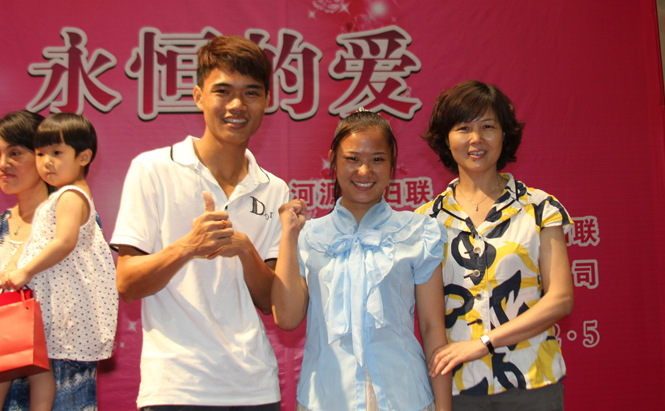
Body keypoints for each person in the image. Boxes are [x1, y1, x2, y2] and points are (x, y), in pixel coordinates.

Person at [111, 35, 289, 410]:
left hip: (255, 389)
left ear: (267, 101)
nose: (237, 105)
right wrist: (188, 246)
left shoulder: (274, 188)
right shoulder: (153, 169)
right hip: (176, 388)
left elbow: (269, 301)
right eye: (223, 91)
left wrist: (245, 250)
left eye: (251, 93)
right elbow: (126, 283)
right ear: (198, 96)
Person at [273, 110, 452, 411]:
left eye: (377, 159)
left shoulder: (417, 232)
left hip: (405, 397)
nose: (364, 171)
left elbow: (433, 327)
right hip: (326, 398)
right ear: (333, 160)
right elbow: (287, 318)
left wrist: (444, 408)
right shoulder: (308, 236)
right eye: (352, 159)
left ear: (392, 164)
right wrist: (289, 237)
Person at [418, 81, 574, 410]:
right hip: (459, 388)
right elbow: (430, 321)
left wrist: (484, 343)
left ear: (505, 135)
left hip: (533, 381)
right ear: (446, 138)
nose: (476, 139)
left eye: (488, 126)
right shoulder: (425, 222)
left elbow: (560, 299)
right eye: (463, 128)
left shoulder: (539, 207)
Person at [0, 112, 118, 411]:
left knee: (44, 373)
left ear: (81, 157)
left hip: (59, 339)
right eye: (42, 154)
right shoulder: (9, 221)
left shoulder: (72, 204)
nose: (3, 164)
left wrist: (24, 271)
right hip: (17, 338)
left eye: (15, 153)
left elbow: (65, 246)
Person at [0, 110, 54, 411]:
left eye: (14, 153)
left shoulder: (70, 224)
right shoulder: (1, 225)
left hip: (58, 381)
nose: (3, 164)